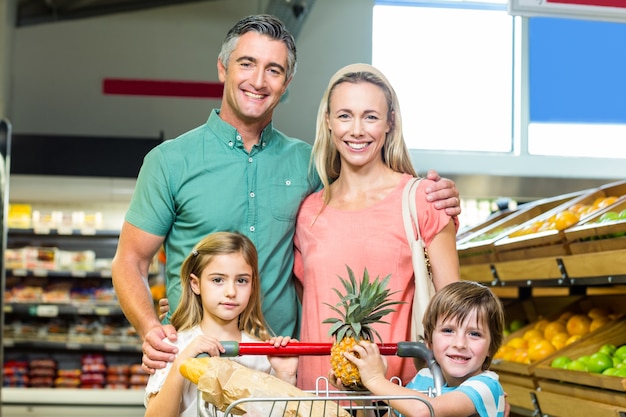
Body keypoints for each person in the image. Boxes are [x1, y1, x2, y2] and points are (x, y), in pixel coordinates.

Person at [111, 14, 461, 374]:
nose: (258, 81)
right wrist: (151, 329)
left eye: (274, 70)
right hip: (196, 361)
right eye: (246, 64)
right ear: (222, 68)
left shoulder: (309, 166)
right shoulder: (169, 161)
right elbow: (130, 261)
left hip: (283, 365)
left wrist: (434, 198)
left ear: (287, 82)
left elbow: (369, 198)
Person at [293, 63, 460, 389]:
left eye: (370, 116)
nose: (357, 130)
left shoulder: (423, 200)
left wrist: (476, 384)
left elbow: (455, 306)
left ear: (389, 123)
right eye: (344, 115)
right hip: (317, 396)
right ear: (328, 122)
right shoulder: (309, 211)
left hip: (400, 394)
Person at [144, 232, 298, 417]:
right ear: (195, 284)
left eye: (241, 280)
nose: (231, 292)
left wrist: (285, 376)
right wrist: (181, 364)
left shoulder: (264, 356)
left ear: (252, 286)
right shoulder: (173, 348)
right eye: (218, 280)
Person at [334, 280, 506, 417]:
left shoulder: (486, 387)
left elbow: (425, 411)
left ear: (491, 346)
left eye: (474, 334)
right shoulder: (424, 377)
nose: (460, 343)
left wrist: (375, 380)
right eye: (448, 331)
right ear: (429, 340)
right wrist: (363, 398)